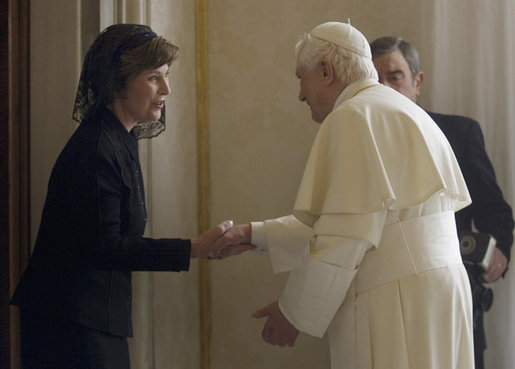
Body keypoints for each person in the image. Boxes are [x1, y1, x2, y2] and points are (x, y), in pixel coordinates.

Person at [217, 22, 475, 369]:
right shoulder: (397, 108)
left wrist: (293, 313)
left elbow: (344, 237)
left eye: (300, 78)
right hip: (435, 293)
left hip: (396, 300)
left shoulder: (354, 115)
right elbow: (360, 222)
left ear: (326, 71)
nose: (300, 95)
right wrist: (251, 235)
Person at [10, 24, 249, 369]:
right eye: (154, 77)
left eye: (166, 76)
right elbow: (107, 247)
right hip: (69, 325)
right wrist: (194, 247)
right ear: (118, 82)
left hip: (92, 319)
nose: (166, 89)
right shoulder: (97, 148)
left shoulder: (120, 139)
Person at [370, 36, 514, 369]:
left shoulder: (460, 133)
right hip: (384, 304)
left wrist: (499, 251)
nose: (385, 87)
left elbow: (494, 211)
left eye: (394, 76)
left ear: (416, 81)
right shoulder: (354, 142)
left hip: (454, 299)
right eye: (376, 80)